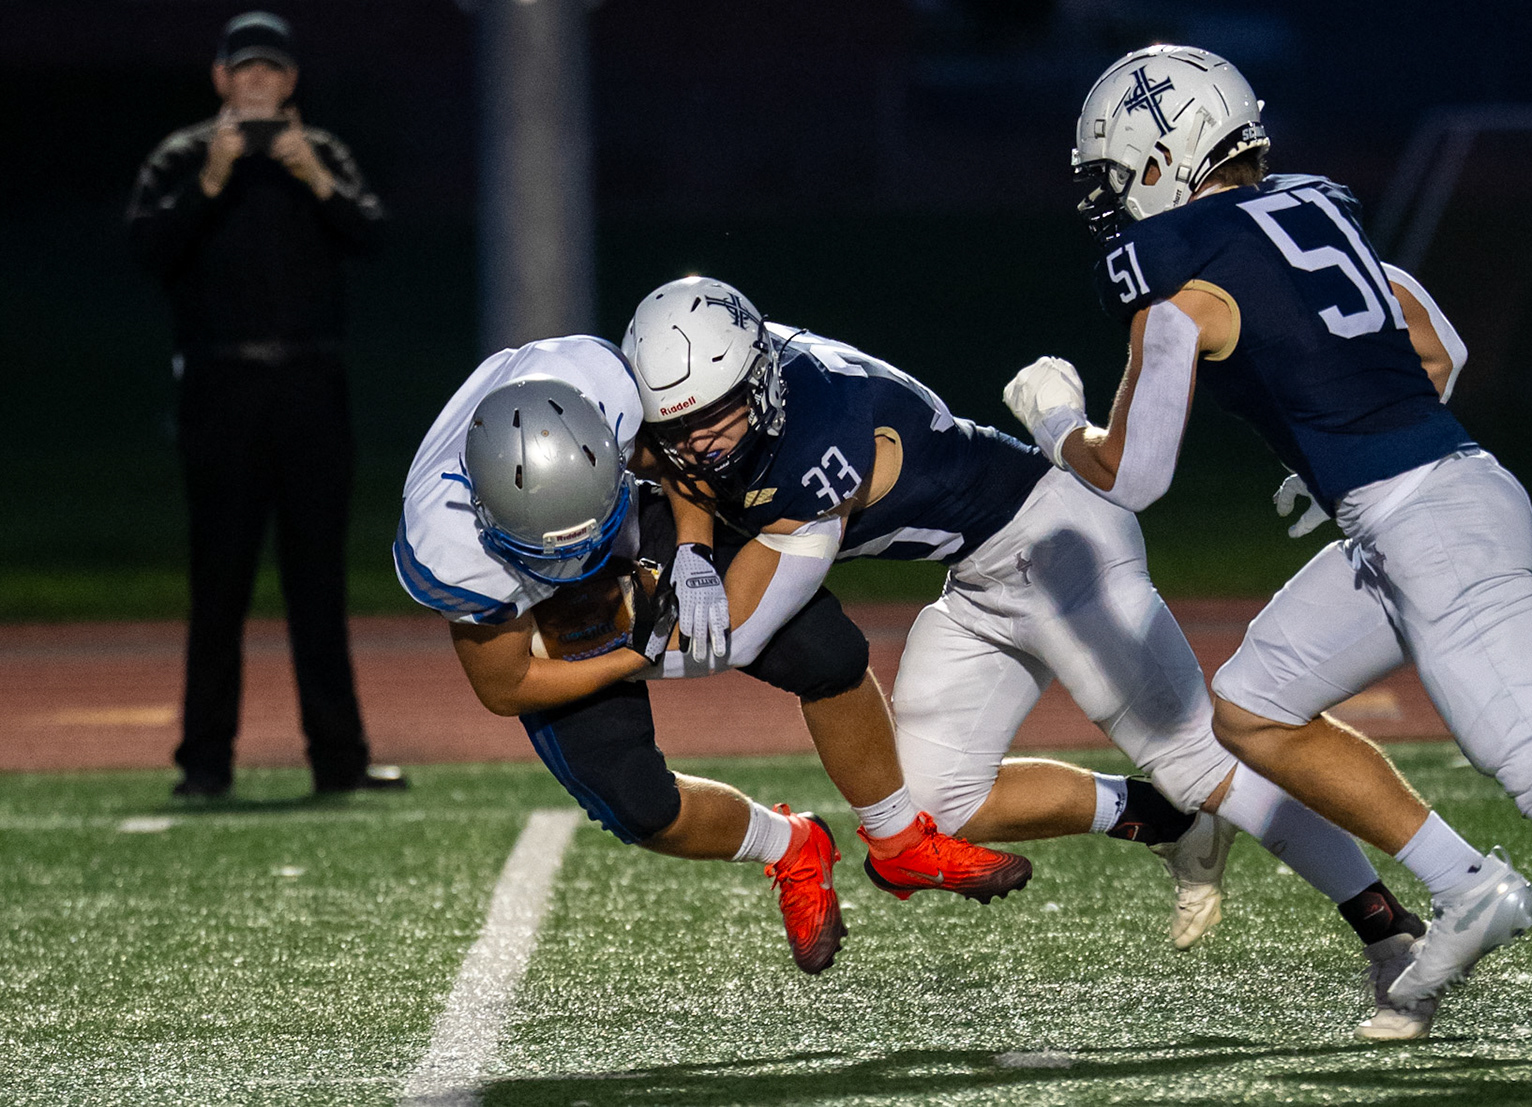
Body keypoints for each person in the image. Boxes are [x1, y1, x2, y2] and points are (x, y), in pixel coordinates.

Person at [1003, 43, 1532, 1009]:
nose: (1112, 201)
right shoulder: (1314, 212)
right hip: (1429, 504)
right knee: (1253, 706)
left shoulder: (1179, 284)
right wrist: (1345, 457)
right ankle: (1464, 882)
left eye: (1117, 177)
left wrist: (1056, 422)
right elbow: (1441, 348)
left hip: (1424, 527)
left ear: (1162, 159)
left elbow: (1136, 475)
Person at [626, 277, 1442, 1039]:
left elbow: (742, 632)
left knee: (1201, 756)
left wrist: (596, 661)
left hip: (1059, 544)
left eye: (716, 417)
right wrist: (689, 545)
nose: (698, 443)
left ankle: (1391, 930)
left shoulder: (822, 437)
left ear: (759, 382)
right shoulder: (734, 377)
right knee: (936, 804)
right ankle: (1169, 820)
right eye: (678, 427)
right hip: (979, 581)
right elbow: (690, 460)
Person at [395, 335, 1031, 973]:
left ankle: (898, 839)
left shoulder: (602, 390)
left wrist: (694, 551)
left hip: (628, 520)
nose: (578, 556)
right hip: (535, 607)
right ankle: (792, 846)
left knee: (825, 650)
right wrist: (635, 654)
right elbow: (506, 687)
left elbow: (680, 457)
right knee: (642, 808)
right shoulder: (448, 549)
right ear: (482, 516)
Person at [128, 12, 395, 798]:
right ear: (220, 78)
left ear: (290, 81)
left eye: (270, 69)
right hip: (220, 388)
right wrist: (208, 183)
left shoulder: (321, 153)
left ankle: (340, 761)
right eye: (244, 69)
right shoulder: (182, 156)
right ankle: (205, 764)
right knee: (219, 584)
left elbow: (373, 235)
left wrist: (315, 177)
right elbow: (145, 249)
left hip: (311, 387)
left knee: (319, 584)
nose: (256, 82)